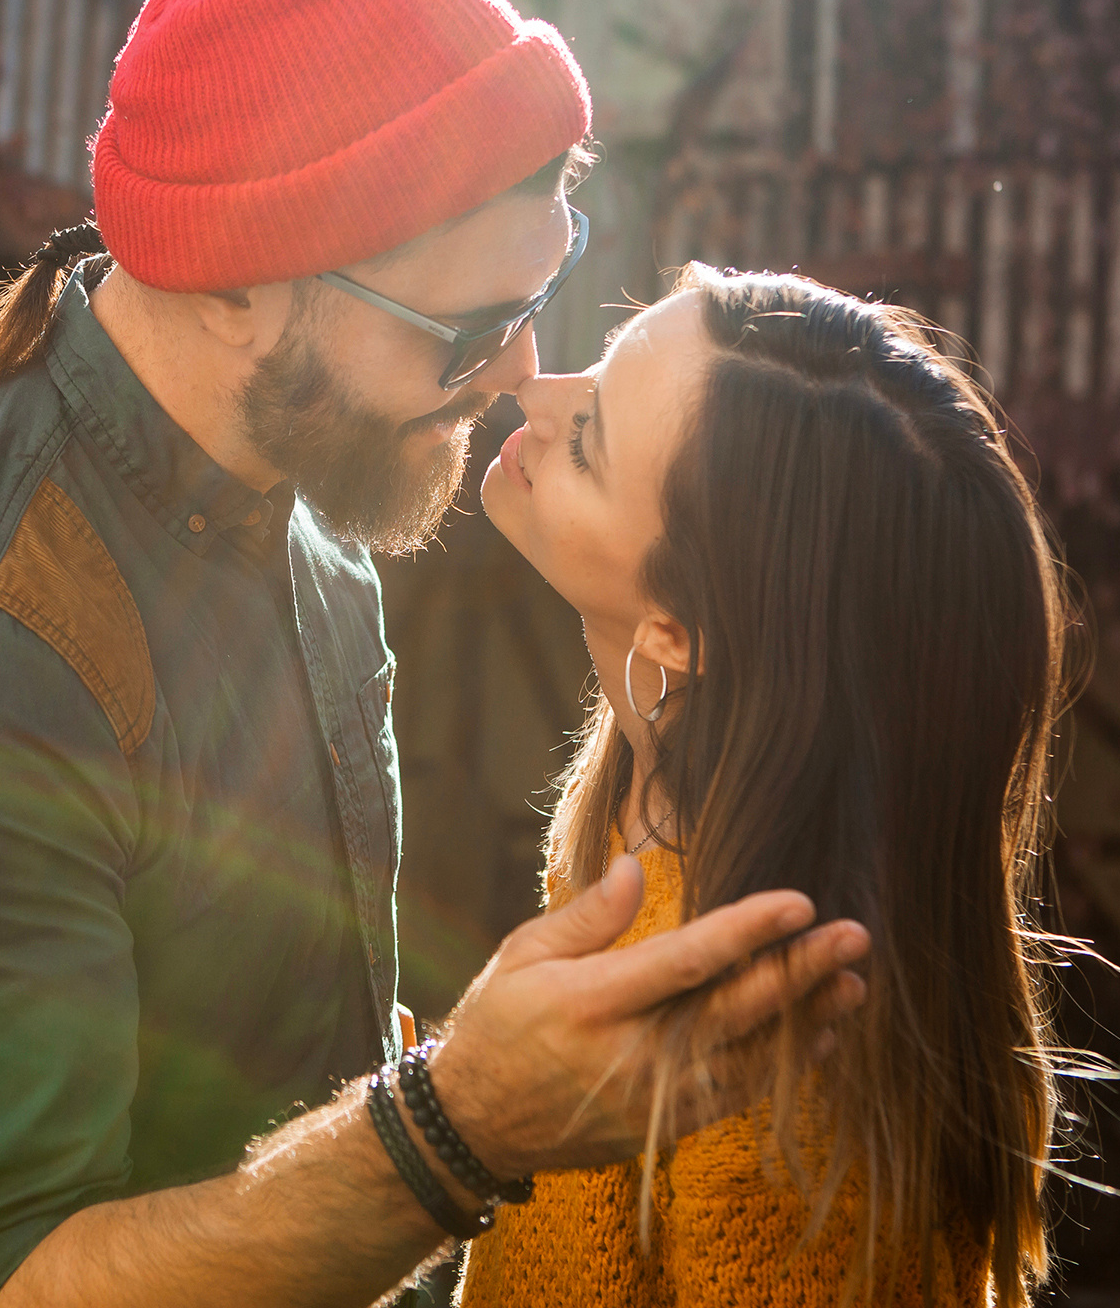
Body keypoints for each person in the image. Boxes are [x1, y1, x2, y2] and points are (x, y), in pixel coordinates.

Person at [0, 0, 871, 1308]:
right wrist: (459, 1130)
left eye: (544, 286)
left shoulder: (313, 525)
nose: (519, 370)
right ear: (237, 288)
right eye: (466, 328)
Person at [454, 267, 1074, 1306]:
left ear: (676, 632)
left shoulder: (766, 1066)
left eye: (590, 438)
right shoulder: (642, 815)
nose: (536, 391)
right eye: (598, 367)